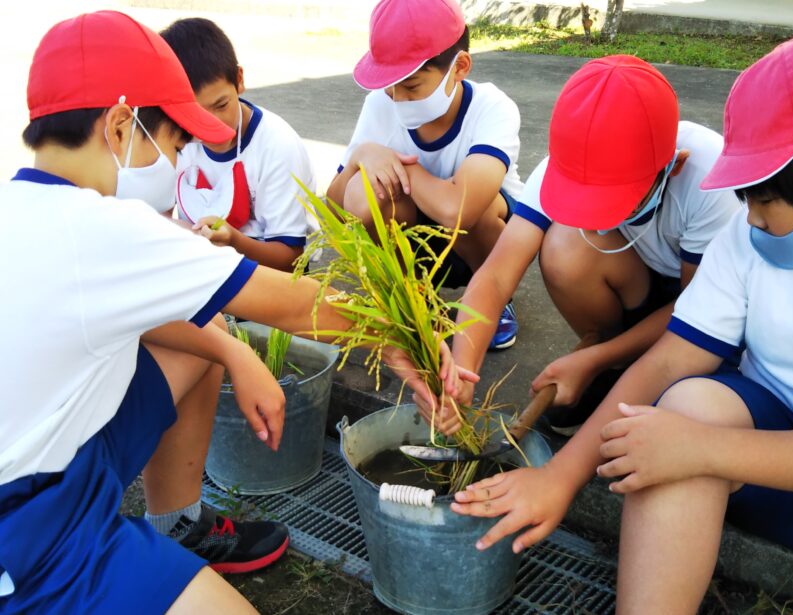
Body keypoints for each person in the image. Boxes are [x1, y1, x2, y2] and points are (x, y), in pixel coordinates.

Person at [0, 12, 467, 614]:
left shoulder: (22, 205)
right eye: (172, 143)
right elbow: (298, 303)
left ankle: (176, 528)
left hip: (56, 457)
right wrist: (407, 331)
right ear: (120, 126)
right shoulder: (104, 228)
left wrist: (233, 350)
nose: (177, 162)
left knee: (204, 332)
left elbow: (145, 315)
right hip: (29, 530)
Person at [450, 33, 793, 613]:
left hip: (783, 460)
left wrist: (705, 451)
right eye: (746, 196)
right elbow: (674, 356)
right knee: (682, 408)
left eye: (765, 199)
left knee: (682, 434)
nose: (748, 217)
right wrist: (563, 476)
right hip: (769, 443)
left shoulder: (711, 203)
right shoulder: (750, 240)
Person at [422, 55, 740, 437]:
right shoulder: (566, 164)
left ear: (672, 166)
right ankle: (617, 364)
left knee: (689, 403)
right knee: (563, 248)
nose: (599, 214)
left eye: (614, 198)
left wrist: (594, 358)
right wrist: (462, 368)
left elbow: (695, 310)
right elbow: (494, 277)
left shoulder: (710, 178)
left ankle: (617, 364)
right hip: (632, 283)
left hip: (699, 302)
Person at [326, 0, 523, 350]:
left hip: (479, 242)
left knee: (478, 203)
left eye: (412, 86)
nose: (397, 98)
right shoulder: (380, 104)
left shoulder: (492, 108)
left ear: (460, 67)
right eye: (390, 86)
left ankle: (490, 295)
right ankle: (412, 294)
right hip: (414, 239)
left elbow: (458, 211)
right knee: (365, 188)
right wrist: (360, 157)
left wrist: (403, 167)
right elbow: (335, 207)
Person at [161, 17, 316, 272]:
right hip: (200, 267)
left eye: (222, 105)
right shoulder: (173, 140)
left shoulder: (277, 145)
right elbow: (159, 217)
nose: (214, 124)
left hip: (269, 274)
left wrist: (235, 241)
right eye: (196, 115)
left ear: (239, 80)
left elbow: (291, 259)